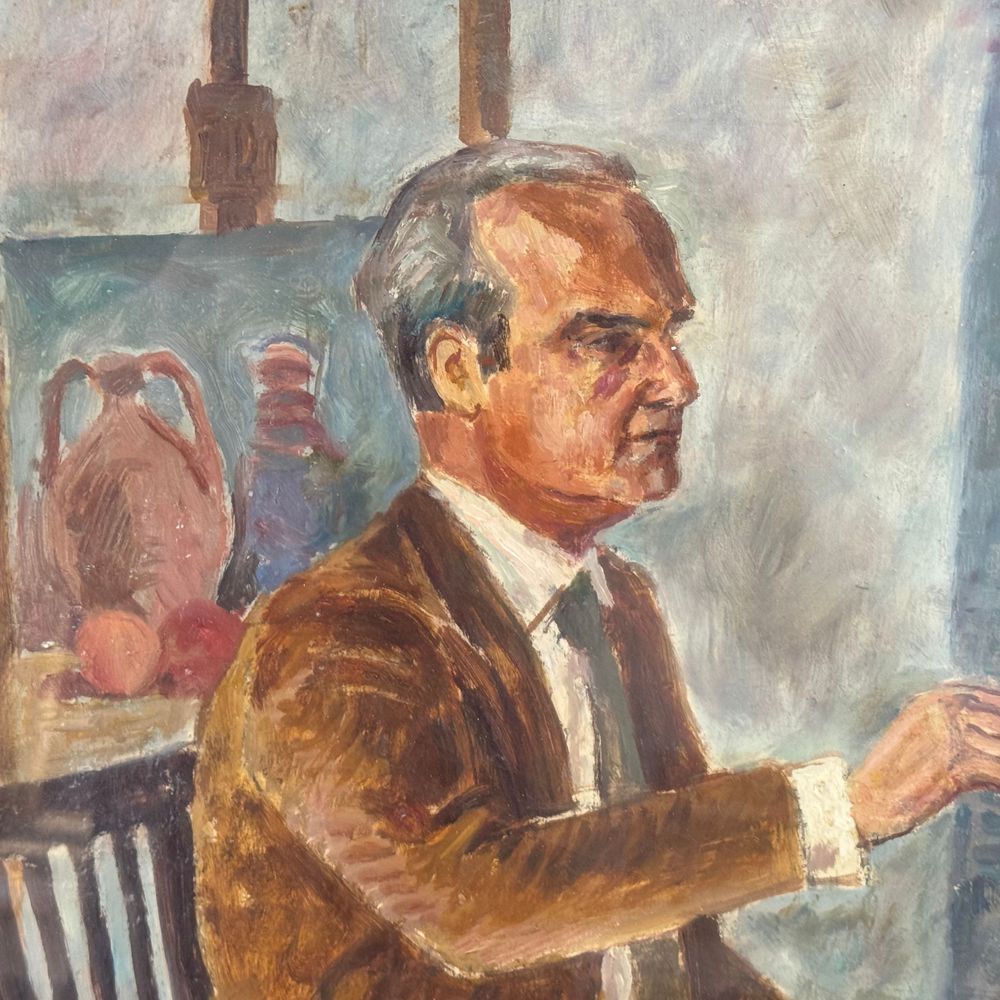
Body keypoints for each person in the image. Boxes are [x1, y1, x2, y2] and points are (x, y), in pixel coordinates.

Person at [192, 140, 1000, 999]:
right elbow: (479, 902)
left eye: (669, 335)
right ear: (458, 371)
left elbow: (676, 945)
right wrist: (844, 810)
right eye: (608, 341)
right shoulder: (332, 632)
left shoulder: (616, 605)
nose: (678, 382)